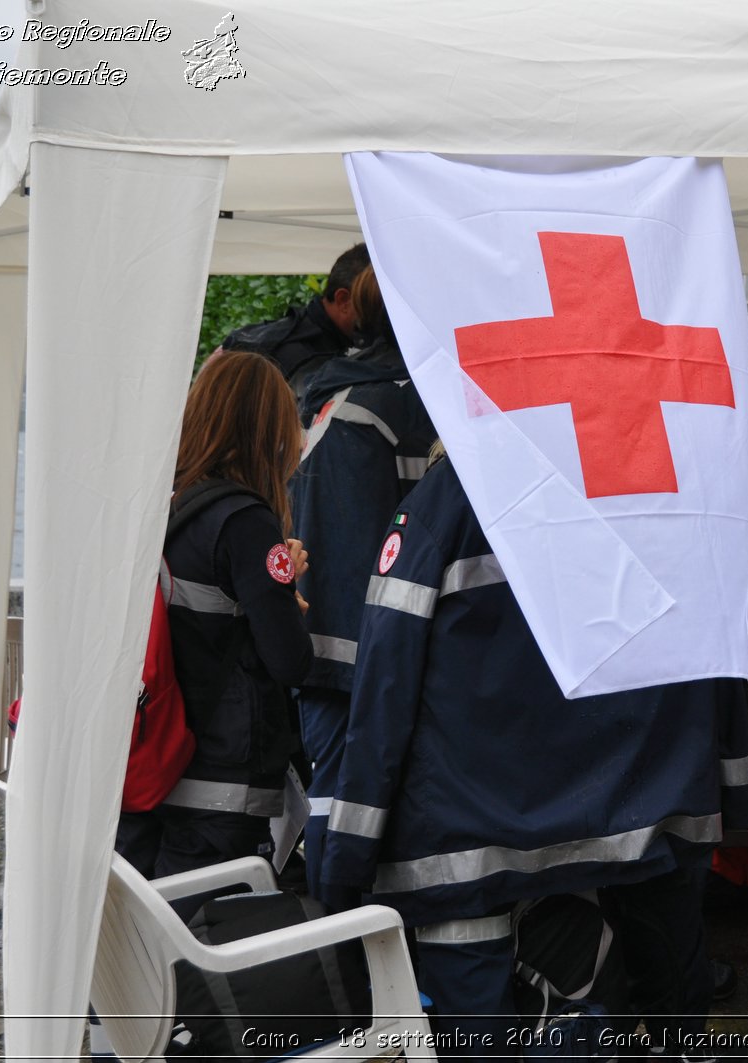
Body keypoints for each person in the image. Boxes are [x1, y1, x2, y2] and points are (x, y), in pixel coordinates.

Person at [316, 453, 748, 1057]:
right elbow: (718, 647)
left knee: (481, 1038)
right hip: (634, 813)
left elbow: (384, 686)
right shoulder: (666, 483)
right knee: (627, 1015)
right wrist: (738, 788)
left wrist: (347, 858)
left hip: (465, 839)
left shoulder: (448, 499)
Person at [115, 349, 314, 898]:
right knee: (201, 939)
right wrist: (284, 590)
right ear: (266, 430)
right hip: (219, 777)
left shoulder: (159, 504)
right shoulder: (246, 520)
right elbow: (290, 659)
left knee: (146, 929)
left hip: (146, 760)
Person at [288, 263, 436, 889]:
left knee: (344, 801)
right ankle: (339, 944)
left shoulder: (337, 398)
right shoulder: (404, 403)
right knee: (347, 802)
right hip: (364, 653)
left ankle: (343, 944)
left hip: (340, 645)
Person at [220, 245, 373, 416]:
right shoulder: (307, 361)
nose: (382, 317)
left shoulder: (256, 335)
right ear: (343, 300)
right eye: (371, 302)